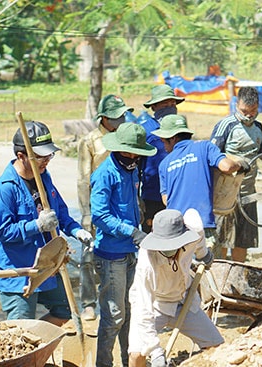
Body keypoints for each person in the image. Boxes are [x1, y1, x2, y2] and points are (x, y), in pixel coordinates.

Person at [0, 121, 93, 326]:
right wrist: (36, 226)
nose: (46, 161)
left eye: (49, 155)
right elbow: (2, 232)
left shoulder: (44, 177)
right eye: (40, 156)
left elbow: (59, 212)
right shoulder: (4, 189)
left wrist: (77, 231)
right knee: (20, 328)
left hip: (45, 266)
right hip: (18, 272)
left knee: (64, 310)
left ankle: (39, 339)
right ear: (21, 156)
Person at [90, 122, 157, 367]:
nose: (134, 157)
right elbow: (100, 216)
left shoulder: (132, 169)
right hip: (111, 254)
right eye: (130, 153)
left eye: (137, 154)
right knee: (113, 316)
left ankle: (130, 361)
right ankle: (103, 364)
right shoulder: (105, 174)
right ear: (120, 149)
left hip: (130, 252)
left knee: (131, 314)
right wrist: (131, 232)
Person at [128, 208, 222, 367]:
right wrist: (156, 352)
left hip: (184, 302)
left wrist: (203, 254)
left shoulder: (193, 233)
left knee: (218, 347)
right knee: (137, 355)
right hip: (155, 305)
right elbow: (143, 309)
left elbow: (196, 224)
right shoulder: (147, 262)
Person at [151, 114, 246, 258]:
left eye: (164, 141)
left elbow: (166, 199)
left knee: (181, 276)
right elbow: (226, 167)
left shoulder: (164, 164)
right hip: (202, 228)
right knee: (211, 274)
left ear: (173, 138)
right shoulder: (204, 147)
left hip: (176, 232)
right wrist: (241, 164)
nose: (164, 146)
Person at [77, 94, 134, 321]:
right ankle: (88, 303)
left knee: (120, 254)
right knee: (89, 254)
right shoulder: (90, 141)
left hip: (121, 203)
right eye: (116, 116)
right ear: (104, 118)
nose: (121, 119)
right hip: (98, 203)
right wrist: (86, 213)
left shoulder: (125, 135)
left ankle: (118, 298)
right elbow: (83, 178)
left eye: (123, 114)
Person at [210, 86, 262, 262]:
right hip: (225, 194)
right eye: (244, 111)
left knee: (243, 240)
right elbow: (211, 157)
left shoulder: (259, 127)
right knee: (222, 239)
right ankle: (219, 275)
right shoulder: (226, 126)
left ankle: (238, 276)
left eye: (253, 111)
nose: (249, 115)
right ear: (236, 105)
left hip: (248, 193)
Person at [136, 84, 185, 232]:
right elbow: (135, 166)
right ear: (154, 106)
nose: (171, 106)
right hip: (153, 197)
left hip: (178, 194)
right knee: (153, 239)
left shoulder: (180, 127)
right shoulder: (145, 130)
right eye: (165, 103)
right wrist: (136, 198)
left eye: (173, 103)